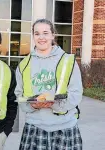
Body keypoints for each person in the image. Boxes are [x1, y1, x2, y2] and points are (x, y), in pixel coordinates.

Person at [15, 19, 83, 150]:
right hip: (35, 127)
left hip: (65, 127)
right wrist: (33, 105)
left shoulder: (68, 61)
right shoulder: (23, 65)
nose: (41, 37)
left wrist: (55, 104)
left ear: (53, 35)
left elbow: (76, 93)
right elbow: (19, 95)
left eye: (45, 33)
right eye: (37, 33)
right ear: (33, 36)